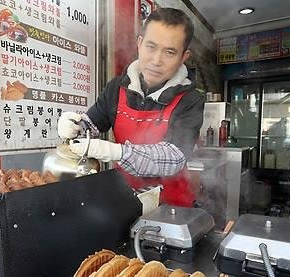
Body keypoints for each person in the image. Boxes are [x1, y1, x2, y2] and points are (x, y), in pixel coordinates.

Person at [57, 7, 204, 207]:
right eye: (151, 47)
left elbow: (174, 158)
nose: (156, 60)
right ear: (139, 44)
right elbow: (93, 123)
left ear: (183, 57)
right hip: (124, 199)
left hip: (171, 208)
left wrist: (117, 153)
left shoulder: (190, 99)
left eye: (170, 52)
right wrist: (77, 126)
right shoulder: (116, 88)